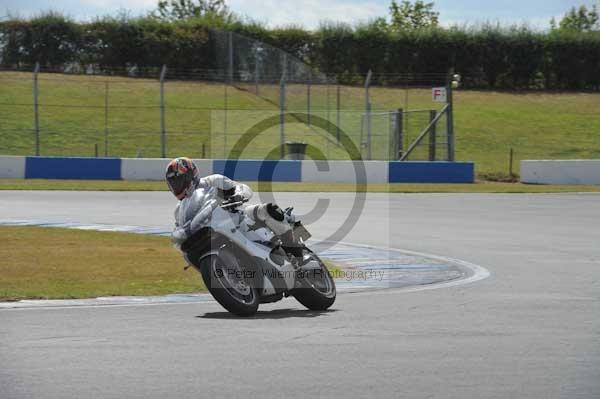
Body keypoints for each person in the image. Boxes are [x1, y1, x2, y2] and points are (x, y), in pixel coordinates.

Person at [166, 157, 294, 247]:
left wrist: (238, 195)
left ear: (190, 175)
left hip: (238, 218)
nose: (176, 187)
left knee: (266, 209)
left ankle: (293, 248)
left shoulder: (213, 181)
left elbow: (242, 187)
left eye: (178, 181)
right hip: (212, 235)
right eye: (173, 184)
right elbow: (180, 228)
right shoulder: (178, 210)